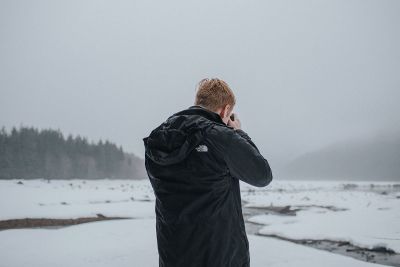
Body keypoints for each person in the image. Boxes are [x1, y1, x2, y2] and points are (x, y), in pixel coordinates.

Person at [143, 78, 273, 267]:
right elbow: (262, 175)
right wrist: (238, 133)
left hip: (172, 256)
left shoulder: (158, 140)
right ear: (225, 110)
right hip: (218, 258)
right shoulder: (220, 137)